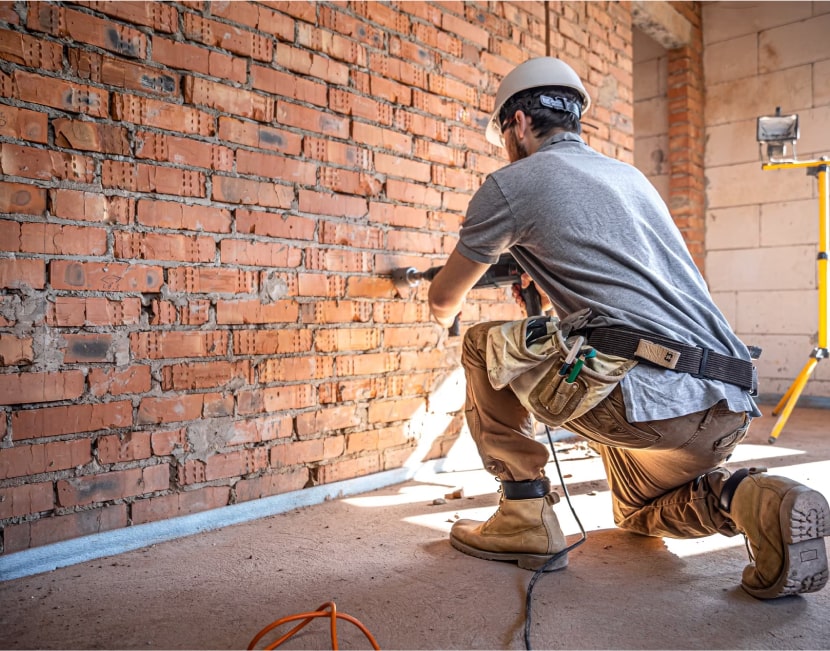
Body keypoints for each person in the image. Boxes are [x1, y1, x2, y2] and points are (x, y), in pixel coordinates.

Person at [427, 56, 829, 599]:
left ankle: (522, 509)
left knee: (482, 346)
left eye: (505, 132)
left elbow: (443, 299)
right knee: (636, 512)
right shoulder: (628, 177)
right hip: (725, 403)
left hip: (645, 401)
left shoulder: (511, 184)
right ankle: (751, 498)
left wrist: (461, 295)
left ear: (518, 124)